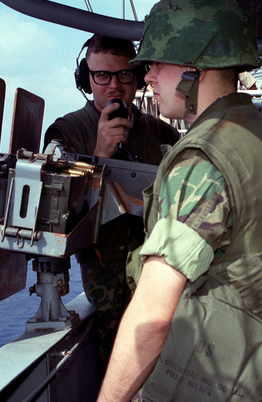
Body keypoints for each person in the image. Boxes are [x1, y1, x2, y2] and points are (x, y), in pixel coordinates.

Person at [98, 0, 262, 401]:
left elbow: (152, 316)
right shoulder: (254, 133)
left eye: (157, 63)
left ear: (194, 69)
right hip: (256, 371)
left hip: (216, 381)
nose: (148, 77)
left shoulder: (203, 159)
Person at [43, 35, 179, 367]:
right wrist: (99, 156)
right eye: (101, 75)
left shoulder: (163, 135)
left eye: (124, 75)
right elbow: (56, 216)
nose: (114, 85)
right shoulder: (67, 132)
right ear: (85, 79)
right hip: (105, 279)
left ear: (138, 76)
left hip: (161, 272)